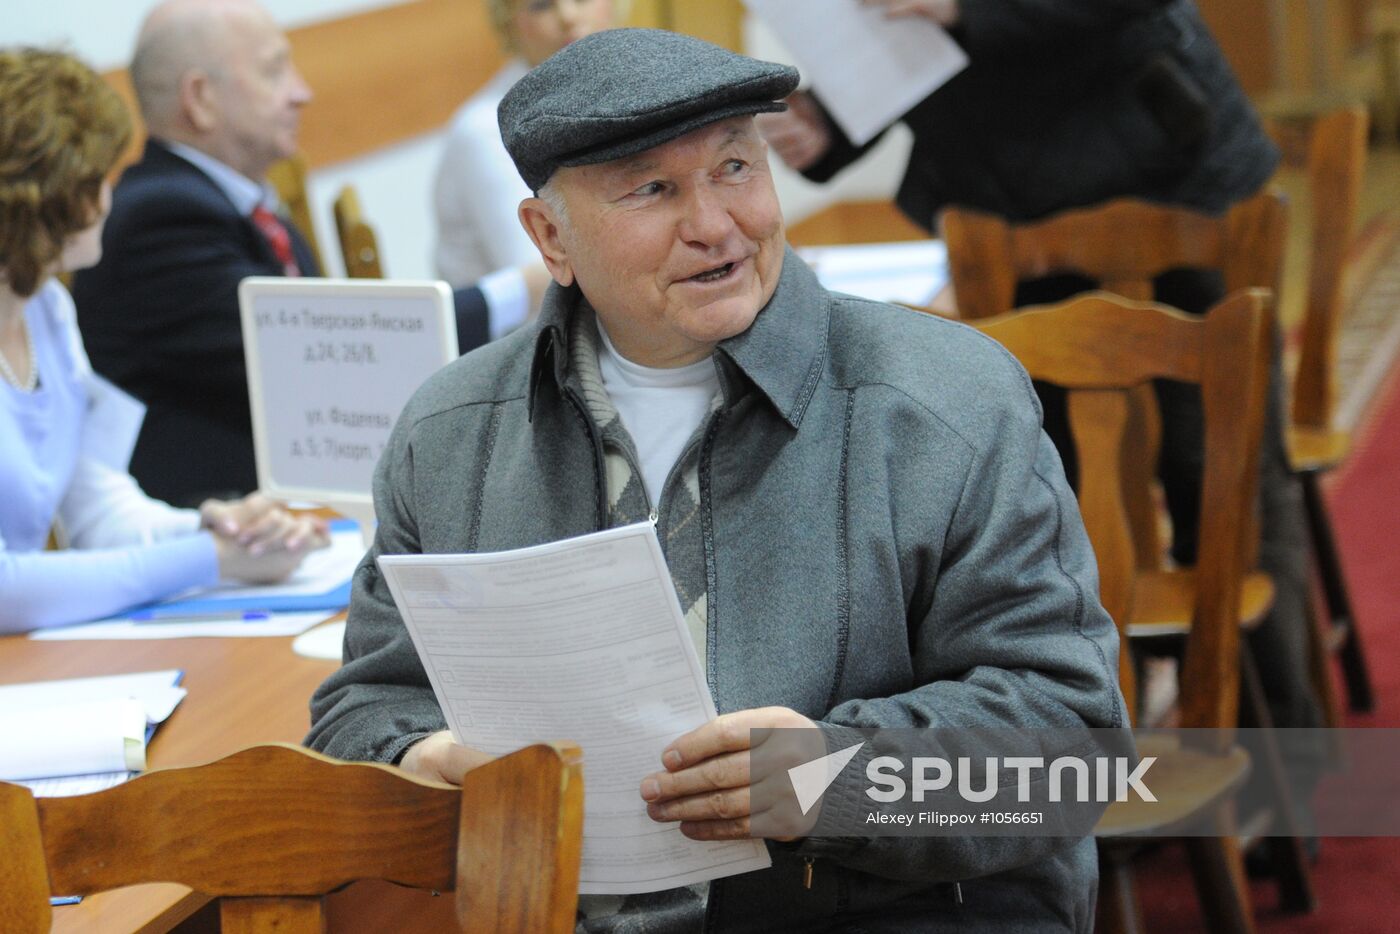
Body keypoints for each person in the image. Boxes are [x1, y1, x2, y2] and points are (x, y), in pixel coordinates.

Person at [308, 29, 1125, 931]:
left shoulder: (943, 402)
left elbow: (1071, 746)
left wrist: (831, 776)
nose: (713, 224)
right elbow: (364, 705)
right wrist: (425, 760)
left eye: (737, 166)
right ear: (551, 237)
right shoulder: (451, 435)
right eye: (653, 189)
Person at [760, 0, 1325, 745]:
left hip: (1169, 176)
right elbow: (903, 47)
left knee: (1218, 470)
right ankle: (1100, 741)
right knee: (1047, 490)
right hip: (1007, 212)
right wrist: (827, 124)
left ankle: (1277, 751)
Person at [70, 0, 523, 507]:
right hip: (216, 529)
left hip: (296, 513)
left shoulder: (240, 198)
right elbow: (335, 355)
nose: (302, 92)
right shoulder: (160, 220)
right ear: (200, 99)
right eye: (273, 69)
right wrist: (518, 293)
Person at [0, 46, 327, 634]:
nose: (109, 195)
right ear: (45, 196)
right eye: (95, 177)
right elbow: (6, 588)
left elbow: (95, 507)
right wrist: (208, 560)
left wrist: (215, 530)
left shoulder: (47, 308)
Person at [431, 0, 617, 288]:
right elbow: (548, 275)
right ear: (508, 24)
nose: (568, 17)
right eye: (541, 5)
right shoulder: (485, 131)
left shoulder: (618, 94)